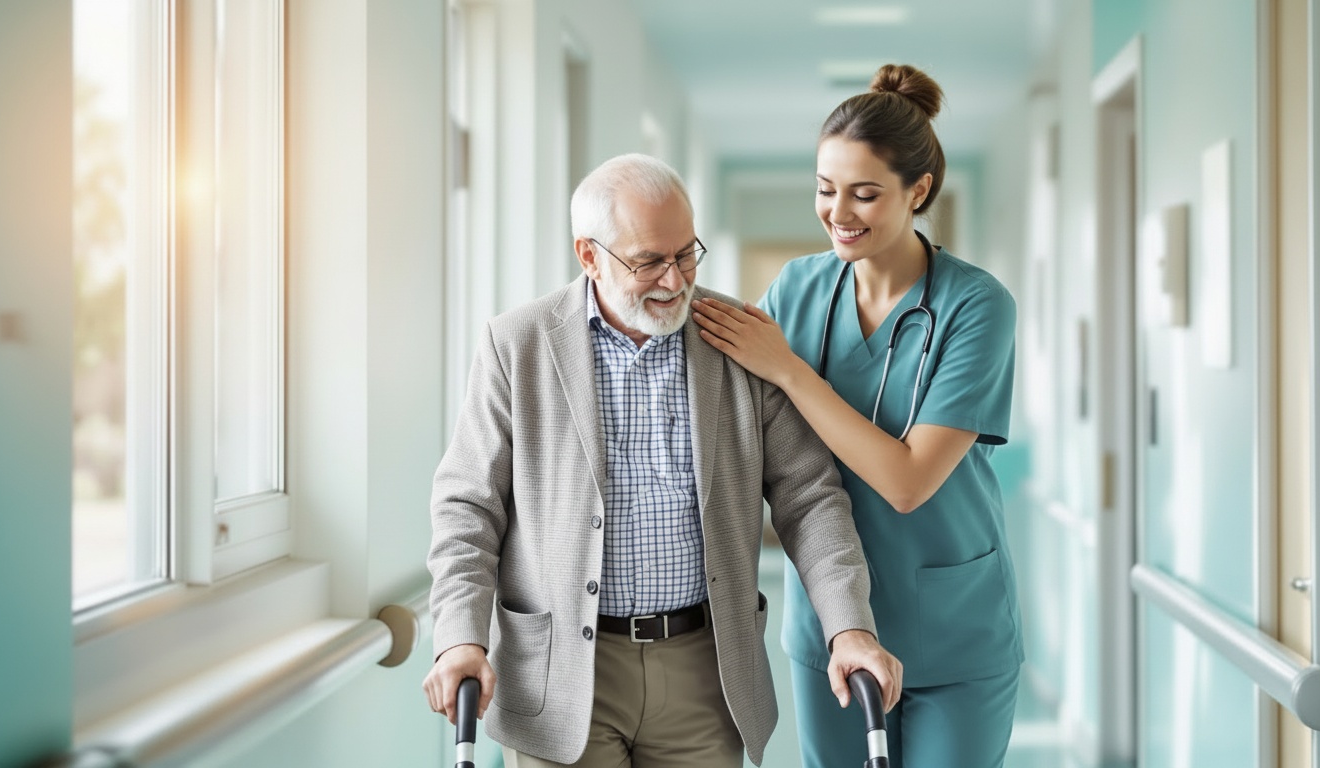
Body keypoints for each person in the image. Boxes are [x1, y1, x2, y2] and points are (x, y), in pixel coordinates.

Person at [422, 152, 903, 768]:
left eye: (685, 254)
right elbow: (468, 505)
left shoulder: (737, 338)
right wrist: (459, 636)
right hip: (564, 672)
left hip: (704, 670)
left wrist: (849, 628)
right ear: (589, 255)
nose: (675, 281)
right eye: (649, 261)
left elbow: (809, 498)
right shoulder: (518, 345)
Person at [691, 64, 1023, 768]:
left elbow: (907, 482)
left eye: (865, 193)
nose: (839, 211)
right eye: (825, 189)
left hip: (954, 633)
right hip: (832, 625)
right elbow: (752, 439)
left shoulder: (976, 307)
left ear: (919, 191)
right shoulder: (799, 288)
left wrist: (789, 369)